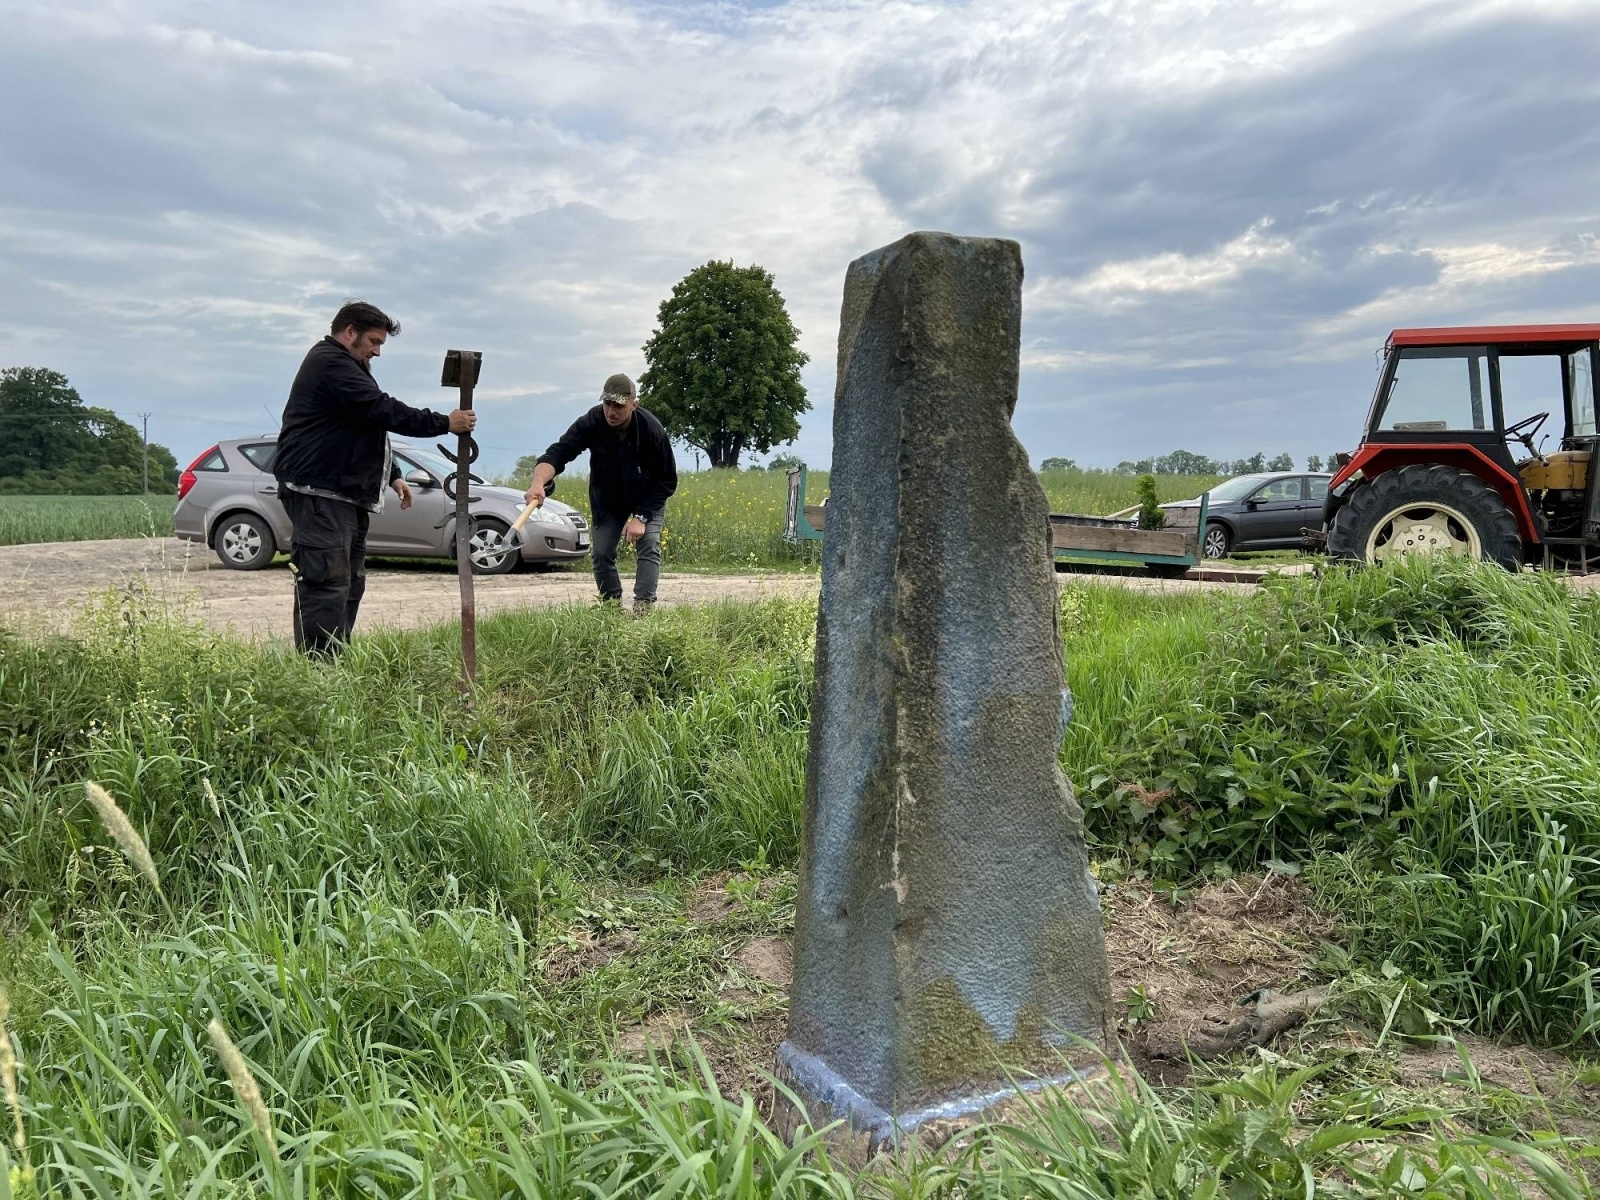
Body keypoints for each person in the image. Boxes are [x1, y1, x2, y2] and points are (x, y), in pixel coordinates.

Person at [273, 301, 476, 656]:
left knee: (349, 583)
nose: (377, 351)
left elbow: (365, 427)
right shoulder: (330, 362)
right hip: (320, 492)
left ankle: (335, 661)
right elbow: (380, 408)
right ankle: (319, 673)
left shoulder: (352, 365)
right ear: (349, 332)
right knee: (326, 583)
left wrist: (392, 474)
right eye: (373, 341)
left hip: (343, 494)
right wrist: (444, 423)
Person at [525, 373, 677, 615]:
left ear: (633, 405)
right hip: (608, 499)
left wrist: (641, 517)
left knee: (648, 543)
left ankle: (643, 608)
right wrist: (538, 481)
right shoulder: (592, 421)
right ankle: (611, 609)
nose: (611, 412)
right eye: (607, 404)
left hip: (647, 497)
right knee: (601, 553)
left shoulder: (652, 430)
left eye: (618, 405)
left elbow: (667, 480)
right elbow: (559, 452)